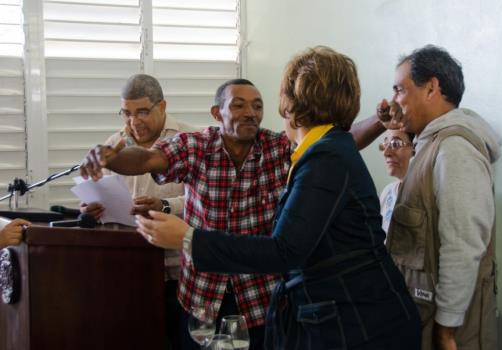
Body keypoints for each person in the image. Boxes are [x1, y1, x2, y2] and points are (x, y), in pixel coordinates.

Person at [132, 46, 422, 349]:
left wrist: (189, 238)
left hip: (360, 327)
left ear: (292, 102)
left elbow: (285, 250)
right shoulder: (323, 150)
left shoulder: (326, 158)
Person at [79, 77, 393, 349]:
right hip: (202, 298)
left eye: (257, 106)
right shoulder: (195, 146)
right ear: (218, 113)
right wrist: (110, 159)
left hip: (260, 299)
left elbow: (342, 141)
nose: (250, 113)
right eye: (239, 106)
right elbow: (146, 159)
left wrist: (379, 122)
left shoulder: (277, 147)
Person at [384, 45, 501, 350]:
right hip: (424, 314)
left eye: (400, 90)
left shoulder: (454, 149)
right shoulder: (430, 144)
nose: (396, 101)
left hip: (451, 329)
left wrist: (446, 328)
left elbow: (462, 244)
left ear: (432, 88)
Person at [80, 74, 197, 350]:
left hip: (179, 273)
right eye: (127, 113)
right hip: (128, 273)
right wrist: (89, 210)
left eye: (142, 111)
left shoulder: (189, 140)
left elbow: (199, 202)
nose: (134, 122)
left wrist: (164, 206)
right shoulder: (113, 145)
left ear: (163, 106)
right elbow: (94, 193)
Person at [378, 128, 414, 233]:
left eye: (396, 143)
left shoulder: (424, 193)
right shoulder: (387, 191)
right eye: (385, 143)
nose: (386, 152)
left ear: (415, 148)